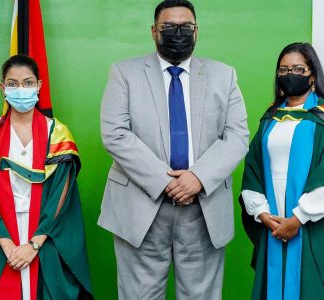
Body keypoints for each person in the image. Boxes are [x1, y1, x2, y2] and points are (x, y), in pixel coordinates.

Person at [98, 0, 249, 299]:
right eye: (169, 26)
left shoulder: (224, 75)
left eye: (185, 26)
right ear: (154, 31)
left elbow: (237, 135)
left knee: (200, 295)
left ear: (196, 31)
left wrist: (198, 178)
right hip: (140, 205)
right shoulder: (124, 73)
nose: (177, 32)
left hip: (202, 207)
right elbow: (114, 133)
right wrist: (166, 181)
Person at [0, 55, 93, 300]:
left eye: (28, 83)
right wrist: (8, 246)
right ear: (3, 88)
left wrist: (34, 245)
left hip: (44, 232)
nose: (21, 89)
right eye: (13, 84)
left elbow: (61, 197)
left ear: (39, 85)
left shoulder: (57, 135)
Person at [240, 42, 324, 299]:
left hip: (314, 225)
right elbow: (253, 169)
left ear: (312, 74)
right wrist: (262, 213)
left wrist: (298, 218)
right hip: (274, 222)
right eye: (284, 69)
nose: (290, 75)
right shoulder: (271, 117)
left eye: (299, 69)